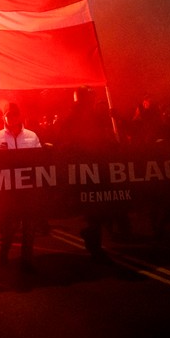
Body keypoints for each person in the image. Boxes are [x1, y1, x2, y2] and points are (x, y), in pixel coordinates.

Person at [54, 86, 119, 262]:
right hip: (83, 169)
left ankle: (93, 236)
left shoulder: (92, 117)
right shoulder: (71, 119)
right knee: (93, 209)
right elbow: (63, 145)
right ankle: (94, 244)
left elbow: (103, 139)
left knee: (99, 207)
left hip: (94, 166)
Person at [0, 102, 42, 271]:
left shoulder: (32, 136)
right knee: (10, 229)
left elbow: (40, 160)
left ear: (19, 116)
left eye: (14, 114)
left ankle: (27, 261)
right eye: (8, 114)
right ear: (4, 116)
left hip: (28, 190)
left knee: (29, 228)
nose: (11, 118)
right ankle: (4, 255)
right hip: (8, 192)